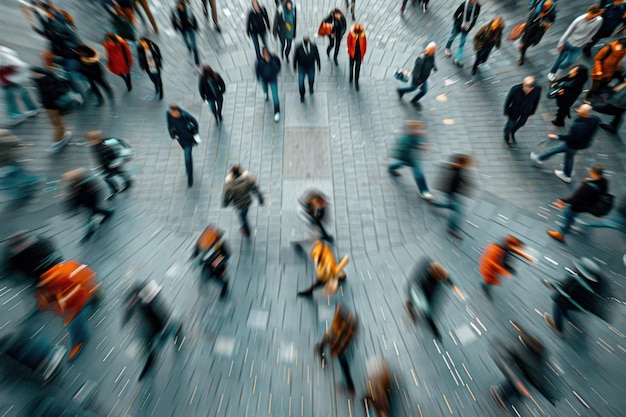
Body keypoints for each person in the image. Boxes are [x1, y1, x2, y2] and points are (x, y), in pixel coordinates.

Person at [37, 259, 99, 360]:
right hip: (84, 286)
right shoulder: (61, 274)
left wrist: (69, 316)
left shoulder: (67, 280)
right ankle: (96, 295)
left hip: (81, 294)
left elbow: (74, 301)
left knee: (74, 321)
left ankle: (81, 340)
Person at [122, 280, 183, 380]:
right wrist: (125, 320)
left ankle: (178, 330)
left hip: (160, 323)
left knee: (172, 326)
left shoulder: (148, 297)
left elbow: (160, 311)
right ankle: (150, 359)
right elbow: (129, 310)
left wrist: (162, 328)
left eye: (133, 300)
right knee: (148, 344)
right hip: (149, 327)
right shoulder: (135, 298)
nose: (131, 302)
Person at [490, 323, 558, 411]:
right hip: (528, 373)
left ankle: (505, 392)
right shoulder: (525, 349)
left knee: (518, 378)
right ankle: (507, 391)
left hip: (526, 373)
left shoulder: (521, 348)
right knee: (518, 379)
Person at [531, 104, 600, 183]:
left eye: (580, 111)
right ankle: (542, 160)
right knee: (568, 157)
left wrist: (557, 136)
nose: (578, 111)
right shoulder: (595, 120)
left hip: (572, 144)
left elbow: (571, 137)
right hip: (582, 144)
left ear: (583, 114)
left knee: (559, 152)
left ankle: (541, 160)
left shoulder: (578, 126)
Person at [542, 257, 608, 335]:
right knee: (564, 302)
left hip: (572, 301)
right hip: (585, 305)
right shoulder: (597, 281)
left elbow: (563, 287)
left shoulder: (577, 280)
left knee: (558, 303)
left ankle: (558, 328)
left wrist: (552, 285)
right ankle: (565, 313)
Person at [405, 258, 464, 340]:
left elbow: (447, 278)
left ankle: (410, 304)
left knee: (427, 309)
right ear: (436, 277)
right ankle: (435, 331)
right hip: (416, 290)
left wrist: (457, 290)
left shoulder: (433, 266)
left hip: (420, 288)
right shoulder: (425, 280)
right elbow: (420, 296)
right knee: (427, 312)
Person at [546, 165, 608, 242]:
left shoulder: (587, 187)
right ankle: (568, 225)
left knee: (567, 214)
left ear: (593, 172)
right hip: (589, 205)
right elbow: (601, 191)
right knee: (571, 216)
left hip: (578, 206)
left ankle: (561, 234)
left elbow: (575, 199)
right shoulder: (604, 182)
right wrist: (591, 180)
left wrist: (563, 200)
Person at [548, 5, 603, 81]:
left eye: (595, 15)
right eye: (590, 14)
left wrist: (587, 41)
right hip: (568, 43)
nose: (590, 16)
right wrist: (561, 43)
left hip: (579, 45)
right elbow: (568, 32)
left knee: (570, 61)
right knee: (560, 58)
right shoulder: (578, 20)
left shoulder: (599, 20)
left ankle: (560, 67)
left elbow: (594, 32)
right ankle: (552, 72)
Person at [315, 304, 358, 395]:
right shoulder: (343, 319)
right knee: (326, 340)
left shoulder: (347, 328)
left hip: (339, 344)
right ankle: (320, 348)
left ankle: (351, 388)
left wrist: (336, 351)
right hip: (336, 339)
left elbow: (343, 341)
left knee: (343, 363)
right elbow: (332, 332)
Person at [62, 168, 115, 240]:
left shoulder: (85, 183)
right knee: (93, 210)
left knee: (92, 211)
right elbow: (74, 195)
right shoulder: (75, 184)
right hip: (90, 194)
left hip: (96, 193)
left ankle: (92, 229)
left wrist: (76, 205)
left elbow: (82, 195)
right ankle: (107, 212)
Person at [388, 120, 433, 200]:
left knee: (402, 163)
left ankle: (391, 167)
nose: (419, 131)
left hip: (409, 157)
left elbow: (417, 143)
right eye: (417, 129)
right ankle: (424, 192)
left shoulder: (414, 136)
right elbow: (403, 150)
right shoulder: (406, 140)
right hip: (408, 157)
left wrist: (423, 146)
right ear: (411, 130)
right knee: (419, 174)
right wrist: (421, 147)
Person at [430, 154, 473, 239]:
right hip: (450, 193)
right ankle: (452, 228)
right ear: (459, 163)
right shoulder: (451, 169)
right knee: (458, 210)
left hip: (454, 193)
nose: (464, 166)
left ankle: (436, 203)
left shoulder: (460, 169)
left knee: (451, 206)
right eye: (463, 164)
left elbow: (462, 180)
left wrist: (466, 184)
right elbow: (447, 181)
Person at [30, 66, 72, 153]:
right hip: (53, 105)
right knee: (58, 122)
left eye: (32, 73)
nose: (31, 75)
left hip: (51, 106)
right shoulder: (45, 78)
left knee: (56, 123)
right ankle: (63, 135)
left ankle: (57, 142)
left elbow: (49, 95)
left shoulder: (45, 82)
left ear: (38, 73)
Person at [479, 235, 534, 299]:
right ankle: (485, 287)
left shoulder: (503, 245)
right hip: (489, 268)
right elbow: (494, 265)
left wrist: (527, 256)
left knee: (505, 258)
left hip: (495, 260)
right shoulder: (496, 252)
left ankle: (508, 268)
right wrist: (506, 273)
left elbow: (514, 246)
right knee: (490, 279)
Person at [86, 130, 133, 199]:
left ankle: (125, 183)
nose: (90, 142)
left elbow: (121, 141)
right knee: (108, 178)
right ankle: (115, 189)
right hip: (105, 166)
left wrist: (127, 154)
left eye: (91, 140)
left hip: (113, 164)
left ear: (95, 139)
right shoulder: (96, 145)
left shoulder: (105, 142)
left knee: (116, 174)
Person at [222, 164, 265, 236]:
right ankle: (245, 225)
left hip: (238, 204)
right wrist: (261, 200)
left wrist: (225, 204)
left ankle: (246, 230)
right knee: (244, 213)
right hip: (247, 202)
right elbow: (256, 190)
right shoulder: (247, 180)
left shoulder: (229, 185)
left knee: (243, 217)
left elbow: (226, 196)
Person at [0, 45, 39, 124]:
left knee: (17, 94)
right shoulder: (3, 52)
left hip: (12, 77)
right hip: (7, 78)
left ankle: (18, 114)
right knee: (13, 95)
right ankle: (28, 110)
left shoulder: (3, 54)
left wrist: (14, 76)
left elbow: (18, 64)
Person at [189, 225, 231, 298]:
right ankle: (205, 282)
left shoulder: (220, 245)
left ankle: (224, 284)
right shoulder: (205, 238)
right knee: (206, 272)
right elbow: (198, 246)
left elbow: (225, 255)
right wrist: (194, 255)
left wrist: (216, 265)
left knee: (215, 275)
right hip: (208, 259)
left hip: (218, 260)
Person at [0, 130, 43, 200]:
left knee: (13, 174)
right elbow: (14, 141)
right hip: (8, 161)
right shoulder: (3, 135)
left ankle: (23, 186)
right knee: (17, 173)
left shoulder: (3, 135)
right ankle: (26, 185)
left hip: (6, 162)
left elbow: (13, 141)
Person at [503, 76, 541, 147]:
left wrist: (532, 112)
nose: (524, 87)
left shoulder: (537, 89)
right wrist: (506, 112)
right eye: (524, 85)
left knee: (521, 123)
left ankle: (512, 132)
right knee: (509, 125)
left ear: (532, 88)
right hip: (514, 111)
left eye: (526, 86)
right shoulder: (515, 89)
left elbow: (536, 101)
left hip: (525, 112)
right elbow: (508, 101)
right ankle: (506, 139)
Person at [166, 105, 198, 187]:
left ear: (177, 111)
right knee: (186, 152)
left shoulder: (184, 115)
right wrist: (173, 135)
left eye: (175, 113)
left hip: (188, 139)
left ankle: (190, 176)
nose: (174, 114)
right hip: (180, 139)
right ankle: (188, 168)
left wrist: (195, 133)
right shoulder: (168, 114)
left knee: (187, 156)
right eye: (172, 113)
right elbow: (170, 126)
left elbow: (194, 122)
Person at [585, 38, 626, 102]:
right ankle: (587, 98)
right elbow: (597, 59)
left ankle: (597, 94)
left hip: (609, 72)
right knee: (594, 87)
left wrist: (617, 66)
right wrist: (598, 70)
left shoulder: (623, 52)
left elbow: (619, 60)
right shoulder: (607, 49)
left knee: (602, 84)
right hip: (599, 72)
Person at [397, 42, 437, 108]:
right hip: (418, 79)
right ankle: (401, 91)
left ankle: (412, 100)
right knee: (413, 88)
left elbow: (432, 61)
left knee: (422, 90)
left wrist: (434, 67)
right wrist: (419, 83)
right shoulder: (421, 59)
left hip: (423, 78)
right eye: (434, 49)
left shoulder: (431, 54)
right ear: (431, 50)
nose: (434, 51)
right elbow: (416, 73)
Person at [444, 0, 481, 67]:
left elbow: (474, 19)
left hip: (466, 28)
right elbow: (457, 13)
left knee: (462, 43)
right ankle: (447, 48)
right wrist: (457, 21)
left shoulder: (477, 7)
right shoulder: (465, 3)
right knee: (453, 36)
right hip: (459, 24)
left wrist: (469, 28)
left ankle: (457, 59)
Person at [519, 0, 556, 66]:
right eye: (544, 6)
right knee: (525, 41)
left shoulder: (552, 13)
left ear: (550, 6)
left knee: (533, 41)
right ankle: (522, 55)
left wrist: (544, 23)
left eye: (546, 7)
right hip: (531, 25)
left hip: (539, 29)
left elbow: (551, 22)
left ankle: (525, 46)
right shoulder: (539, 5)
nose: (544, 8)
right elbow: (532, 7)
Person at [256, 47, 282, 122]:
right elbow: (257, 70)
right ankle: (266, 94)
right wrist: (259, 77)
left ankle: (277, 111)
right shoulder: (260, 61)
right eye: (264, 54)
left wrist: (277, 72)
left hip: (273, 79)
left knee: (275, 96)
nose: (266, 55)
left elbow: (279, 64)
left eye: (267, 53)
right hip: (264, 79)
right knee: (265, 88)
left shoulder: (273, 58)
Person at [172, 0, 199, 66]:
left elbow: (193, 17)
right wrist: (175, 27)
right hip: (183, 29)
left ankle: (197, 62)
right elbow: (173, 20)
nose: (180, 7)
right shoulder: (174, 11)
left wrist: (196, 26)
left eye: (181, 5)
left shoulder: (187, 8)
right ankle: (189, 47)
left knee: (194, 46)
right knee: (186, 41)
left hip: (190, 28)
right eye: (178, 6)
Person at [293, 36, 321, 102]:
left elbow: (317, 56)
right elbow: (295, 57)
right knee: (300, 82)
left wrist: (319, 65)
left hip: (311, 66)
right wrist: (294, 66)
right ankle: (302, 95)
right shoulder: (298, 47)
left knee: (311, 79)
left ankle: (311, 87)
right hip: (301, 67)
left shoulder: (313, 46)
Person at [346, 23, 367, 91]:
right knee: (351, 67)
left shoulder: (363, 36)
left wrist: (362, 55)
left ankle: (356, 81)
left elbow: (364, 45)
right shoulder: (351, 34)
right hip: (352, 54)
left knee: (357, 68)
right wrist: (349, 50)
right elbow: (348, 42)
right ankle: (351, 77)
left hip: (359, 55)